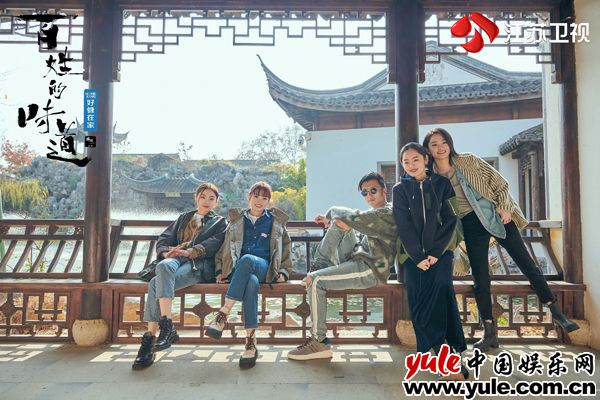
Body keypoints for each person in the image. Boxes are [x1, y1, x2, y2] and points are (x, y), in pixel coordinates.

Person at [423, 127, 579, 352]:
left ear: (449, 143)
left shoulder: (468, 161)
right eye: (434, 144)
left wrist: (505, 207)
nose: (440, 147)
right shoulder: (432, 178)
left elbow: (499, 183)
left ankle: (557, 313)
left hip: (496, 217)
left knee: (527, 264)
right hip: (470, 226)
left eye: (443, 142)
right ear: (428, 150)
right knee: (480, 278)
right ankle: (489, 333)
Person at [287, 172, 397, 361]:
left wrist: (329, 215)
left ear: (384, 190)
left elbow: (350, 215)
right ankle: (319, 265)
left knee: (315, 280)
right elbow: (346, 218)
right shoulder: (372, 216)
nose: (369, 196)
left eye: (373, 190)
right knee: (339, 224)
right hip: (358, 259)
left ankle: (319, 341)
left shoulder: (387, 213)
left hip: (370, 269)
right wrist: (332, 220)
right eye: (364, 193)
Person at [132, 183, 228, 370]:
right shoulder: (184, 218)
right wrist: (166, 252)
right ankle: (167, 326)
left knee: (155, 283)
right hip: (175, 259)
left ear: (216, 202)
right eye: (203, 196)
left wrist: (190, 251)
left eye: (211, 198)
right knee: (164, 265)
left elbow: (214, 244)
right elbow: (164, 239)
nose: (206, 201)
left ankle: (149, 340)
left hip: (197, 265)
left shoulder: (219, 222)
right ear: (196, 198)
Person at [393, 142, 468, 380]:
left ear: (426, 159)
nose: (411, 165)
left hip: (441, 252)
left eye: (415, 159)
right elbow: (403, 225)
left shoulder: (442, 184)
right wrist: (417, 257)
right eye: (406, 161)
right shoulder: (400, 189)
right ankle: (441, 353)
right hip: (411, 255)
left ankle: (449, 352)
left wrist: (435, 252)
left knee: (442, 290)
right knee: (419, 300)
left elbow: (451, 218)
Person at [205, 181, 292, 369]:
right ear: (249, 197)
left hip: (264, 268)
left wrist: (284, 272)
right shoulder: (236, 221)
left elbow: (286, 249)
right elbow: (223, 248)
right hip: (239, 271)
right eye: (256, 196)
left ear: (269, 201)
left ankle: (223, 313)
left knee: (248, 260)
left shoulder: (275, 222)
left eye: (264, 198)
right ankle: (250, 342)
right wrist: (219, 270)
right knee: (251, 282)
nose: (260, 201)